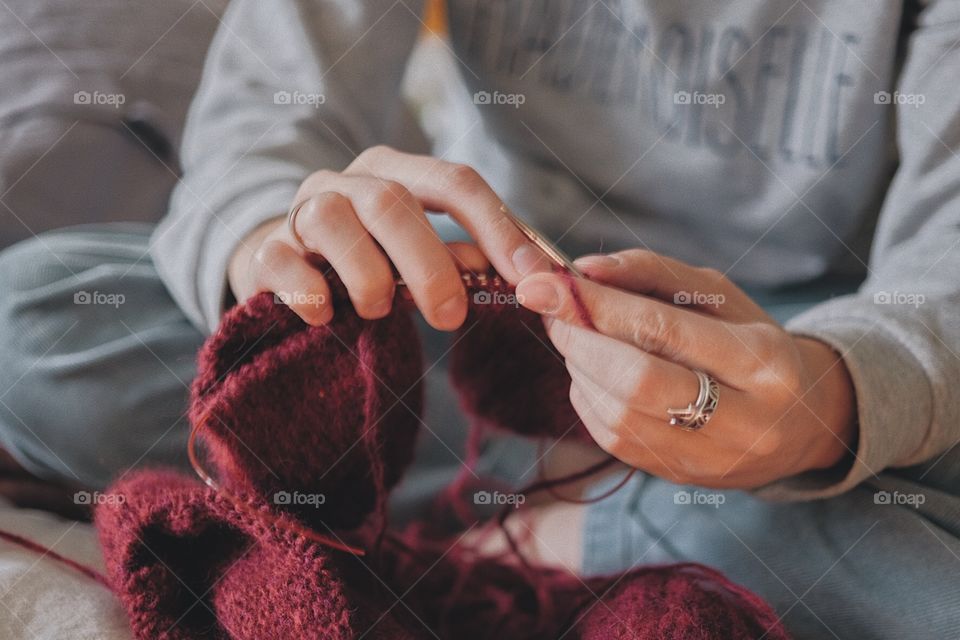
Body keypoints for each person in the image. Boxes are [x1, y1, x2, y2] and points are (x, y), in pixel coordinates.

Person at [1, 2, 958, 637]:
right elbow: (265, 111)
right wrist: (278, 244)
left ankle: (558, 513)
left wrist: (827, 397)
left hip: (774, 356)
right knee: (34, 324)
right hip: (454, 326)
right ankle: (608, 513)